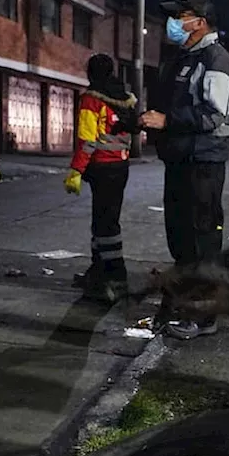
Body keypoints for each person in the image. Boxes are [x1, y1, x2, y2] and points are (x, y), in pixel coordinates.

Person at [144, 0, 229, 341]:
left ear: (200, 21)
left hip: (203, 162)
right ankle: (182, 305)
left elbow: (214, 115)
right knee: (181, 239)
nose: (174, 22)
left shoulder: (215, 59)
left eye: (181, 15)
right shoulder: (187, 57)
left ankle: (204, 317)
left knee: (201, 242)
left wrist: (167, 120)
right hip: (181, 160)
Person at [66, 53, 138, 303]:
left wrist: (76, 170)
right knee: (104, 221)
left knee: (105, 225)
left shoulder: (91, 99)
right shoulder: (123, 97)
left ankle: (116, 278)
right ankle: (97, 272)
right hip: (121, 165)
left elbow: (87, 139)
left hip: (102, 168)